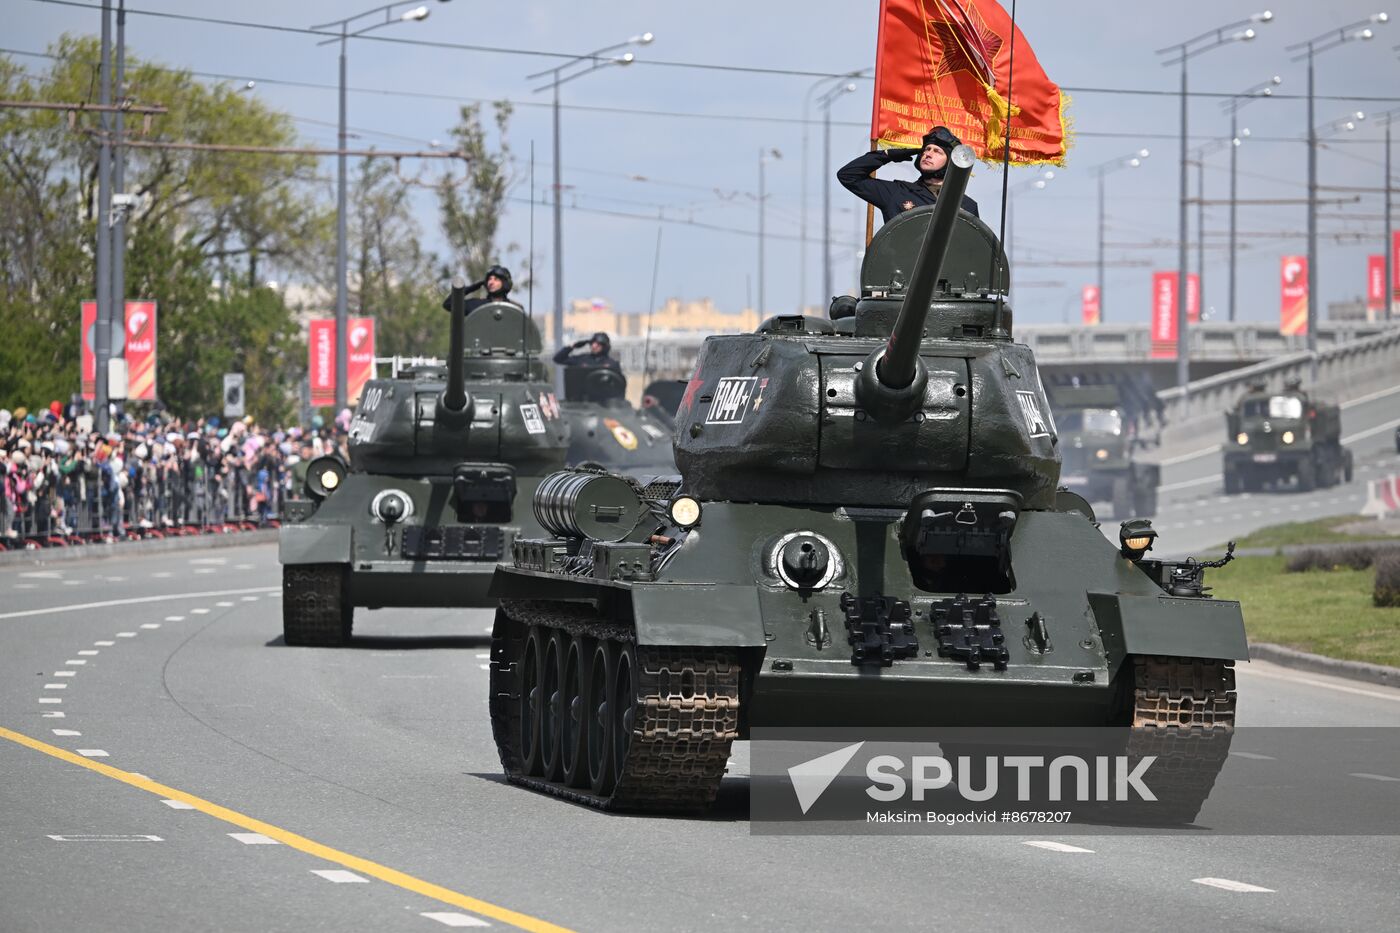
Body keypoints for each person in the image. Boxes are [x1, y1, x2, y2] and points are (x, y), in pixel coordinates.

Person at [837, 125, 979, 224]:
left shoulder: (966, 205)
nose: (928, 154)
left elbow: (974, 248)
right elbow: (848, 176)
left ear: (950, 162)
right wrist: (887, 155)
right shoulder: (898, 193)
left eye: (937, 151)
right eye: (927, 149)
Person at [443, 264, 518, 315]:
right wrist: (473, 287)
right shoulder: (477, 306)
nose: (491, 282)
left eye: (496, 279)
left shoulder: (514, 309)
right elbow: (448, 304)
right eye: (489, 279)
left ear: (505, 283)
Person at [553, 331, 622, 375]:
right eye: (592, 343)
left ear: (604, 346)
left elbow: (618, 383)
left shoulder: (612, 364)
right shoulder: (581, 359)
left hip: (605, 396)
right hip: (583, 396)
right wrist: (573, 346)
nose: (594, 346)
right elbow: (558, 359)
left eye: (598, 344)